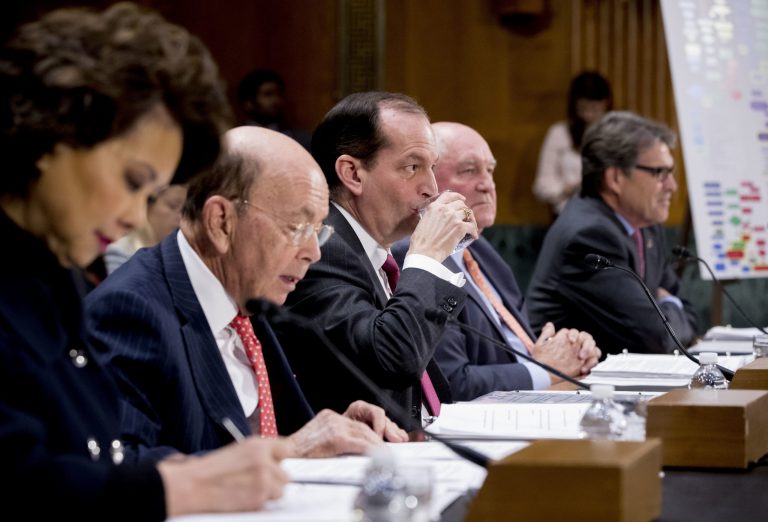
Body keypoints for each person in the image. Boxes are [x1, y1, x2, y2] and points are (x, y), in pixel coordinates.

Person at [0, 3, 292, 519]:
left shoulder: (56, 272)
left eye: (153, 192)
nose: (135, 214)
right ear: (52, 135)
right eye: (134, 181)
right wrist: (170, 489)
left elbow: (92, 447)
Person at [85, 126, 407, 464]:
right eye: (297, 228)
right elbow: (117, 467)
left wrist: (334, 430)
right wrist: (287, 452)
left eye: (317, 230)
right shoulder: (130, 311)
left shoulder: (252, 300)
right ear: (220, 222)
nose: (314, 253)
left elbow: (259, 430)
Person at [274, 91, 479, 425]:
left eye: (433, 168)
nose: (431, 187)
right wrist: (426, 257)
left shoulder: (371, 252)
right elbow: (392, 359)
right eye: (412, 167)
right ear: (353, 173)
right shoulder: (322, 250)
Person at [394, 122, 601, 401]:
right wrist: (546, 370)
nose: (487, 184)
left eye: (490, 170)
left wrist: (569, 351)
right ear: (427, 184)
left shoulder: (483, 252)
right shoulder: (418, 258)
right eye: (469, 170)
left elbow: (518, 345)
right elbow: (453, 380)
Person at [526, 111, 698, 355]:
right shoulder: (588, 236)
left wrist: (668, 308)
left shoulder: (646, 224)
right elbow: (657, 337)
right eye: (660, 173)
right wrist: (669, 304)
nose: (672, 186)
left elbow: (689, 312)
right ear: (615, 178)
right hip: (570, 385)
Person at [533, 71, 612, 215]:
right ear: (574, 106)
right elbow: (542, 186)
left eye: (595, 109)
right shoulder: (559, 133)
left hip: (609, 214)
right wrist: (572, 188)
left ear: (606, 104)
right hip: (568, 213)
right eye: (583, 109)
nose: (588, 116)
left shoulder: (617, 134)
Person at [103, 183, 187, 274]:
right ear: (148, 204)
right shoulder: (121, 250)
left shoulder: (178, 257)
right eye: (173, 206)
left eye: (184, 211)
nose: (180, 216)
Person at [236, 68, 311, 150]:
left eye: (279, 94)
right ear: (248, 103)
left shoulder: (300, 140)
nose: (276, 100)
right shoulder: (235, 140)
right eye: (268, 94)